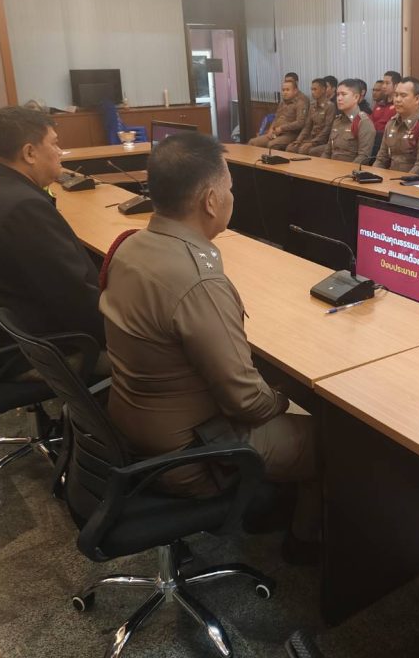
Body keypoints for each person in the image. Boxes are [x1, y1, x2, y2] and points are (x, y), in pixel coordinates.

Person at [100, 132, 319, 563]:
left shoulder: (130, 245)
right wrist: (288, 396)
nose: (232, 197)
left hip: (133, 428)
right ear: (211, 201)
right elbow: (248, 403)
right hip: (189, 456)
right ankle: (305, 544)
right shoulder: (197, 280)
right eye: (230, 188)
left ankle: (269, 507)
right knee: (330, 438)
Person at [0, 106, 104, 346]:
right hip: (42, 342)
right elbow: (76, 299)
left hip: (4, 326)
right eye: (54, 144)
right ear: (30, 153)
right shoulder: (24, 207)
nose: (60, 152)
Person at [374, 77, 419, 176]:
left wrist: (399, 182)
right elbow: (381, 158)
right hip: (392, 179)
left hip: (418, 181)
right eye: (396, 95)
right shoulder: (391, 124)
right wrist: (371, 177)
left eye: (403, 95)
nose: (397, 100)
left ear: (417, 99)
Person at [323, 78, 375, 164]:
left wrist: (348, 170)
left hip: (348, 169)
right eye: (338, 94)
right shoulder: (337, 120)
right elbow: (327, 152)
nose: (339, 98)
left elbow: (363, 157)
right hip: (331, 166)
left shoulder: (363, 122)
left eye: (343, 94)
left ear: (356, 97)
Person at [248, 78, 309, 149]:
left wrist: (282, 128)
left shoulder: (300, 103)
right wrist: (271, 129)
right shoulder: (282, 103)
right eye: (283, 90)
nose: (285, 92)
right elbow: (276, 118)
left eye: (287, 90)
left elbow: (300, 123)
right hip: (276, 133)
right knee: (252, 142)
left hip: (290, 134)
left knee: (271, 145)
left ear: (295, 91)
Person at [288, 78, 335, 156]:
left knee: (303, 150)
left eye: (315, 89)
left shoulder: (330, 106)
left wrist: (312, 142)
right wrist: (299, 139)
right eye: (311, 89)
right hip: (311, 137)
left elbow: (327, 129)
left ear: (323, 90)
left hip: (322, 140)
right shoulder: (312, 105)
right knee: (290, 148)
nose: (312, 92)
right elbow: (307, 126)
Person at [370, 70, 400, 138]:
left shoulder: (399, 105)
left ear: (396, 85)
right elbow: (370, 122)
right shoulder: (379, 104)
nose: (383, 86)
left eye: (387, 83)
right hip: (373, 137)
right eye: (383, 83)